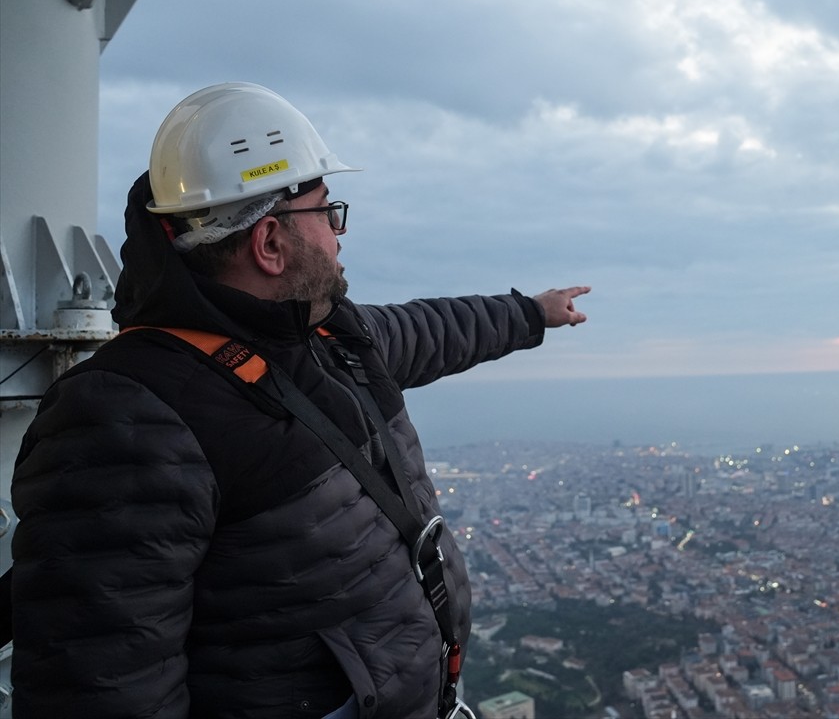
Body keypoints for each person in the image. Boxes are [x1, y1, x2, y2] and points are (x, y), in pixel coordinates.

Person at [10, 83, 589, 719]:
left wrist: (529, 314)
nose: (340, 234)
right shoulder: (130, 414)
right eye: (328, 211)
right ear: (270, 242)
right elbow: (105, 685)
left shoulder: (324, 336)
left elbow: (428, 330)